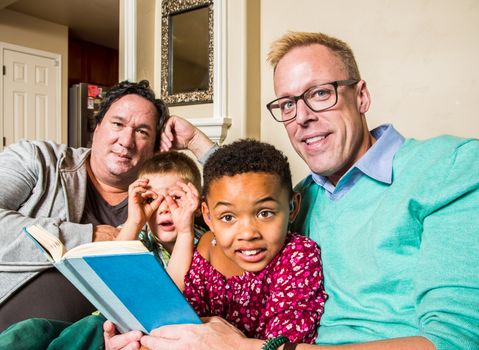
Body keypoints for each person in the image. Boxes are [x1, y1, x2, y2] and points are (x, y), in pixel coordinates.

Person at [109, 32, 479, 350]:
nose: (302, 116)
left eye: (320, 93)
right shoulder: (301, 198)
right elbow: (242, 193)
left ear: (362, 96)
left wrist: (247, 348)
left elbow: (455, 342)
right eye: (287, 104)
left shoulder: (448, 167)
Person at [0, 79, 212, 331]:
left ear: (155, 148)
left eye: (142, 132)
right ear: (97, 127)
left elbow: (237, 204)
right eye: (117, 124)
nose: (126, 140)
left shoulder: (157, 203)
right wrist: (88, 236)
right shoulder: (38, 160)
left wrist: (197, 142)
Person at [0, 150, 204, 349]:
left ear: (196, 204)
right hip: (113, 320)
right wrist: (135, 220)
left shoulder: (203, 244)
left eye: (176, 198)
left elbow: (171, 293)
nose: (164, 207)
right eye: (152, 199)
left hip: (130, 330)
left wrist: (185, 231)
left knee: (85, 331)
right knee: (33, 329)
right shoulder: (141, 234)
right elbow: (111, 270)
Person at [168, 139, 326, 344]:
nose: (248, 233)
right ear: (208, 217)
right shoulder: (208, 246)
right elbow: (178, 319)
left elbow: (282, 343)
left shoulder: (297, 256)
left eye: (265, 213)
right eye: (227, 217)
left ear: (293, 207)